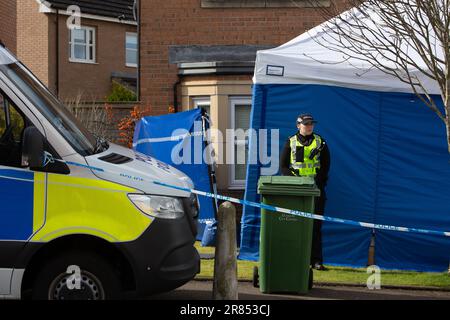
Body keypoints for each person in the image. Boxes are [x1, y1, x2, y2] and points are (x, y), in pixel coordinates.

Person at [280, 113, 330, 271]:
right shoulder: (290, 141)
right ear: (298, 125)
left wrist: (317, 183)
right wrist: (296, 183)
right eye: (306, 124)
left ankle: (316, 260)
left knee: (315, 226)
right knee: (295, 225)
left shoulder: (320, 141)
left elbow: (326, 165)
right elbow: (283, 166)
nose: (309, 126)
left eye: (311, 124)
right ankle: (296, 258)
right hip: (296, 191)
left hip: (315, 190)